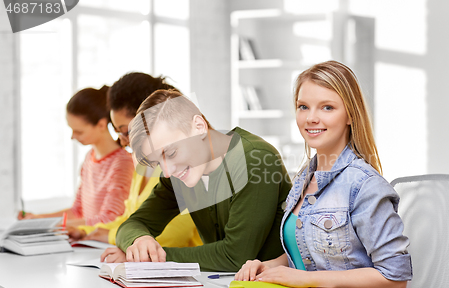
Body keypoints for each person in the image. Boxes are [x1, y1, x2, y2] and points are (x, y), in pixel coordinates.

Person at [235, 60, 412, 288]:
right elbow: (312, 250)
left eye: (327, 107)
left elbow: (395, 279)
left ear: (350, 115)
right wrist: (269, 267)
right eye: (303, 107)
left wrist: (307, 280)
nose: (311, 118)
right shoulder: (303, 179)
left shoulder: (364, 185)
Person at [101, 89, 291, 272]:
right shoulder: (180, 172)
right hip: (223, 287)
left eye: (171, 153)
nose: (167, 172)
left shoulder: (255, 159)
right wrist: (140, 241)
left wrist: (151, 259)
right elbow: (133, 224)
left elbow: (235, 256)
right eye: (158, 161)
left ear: (199, 127)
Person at [69, 72, 202, 249]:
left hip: (193, 270)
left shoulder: (183, 164)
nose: (123, 142)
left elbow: (172, 236)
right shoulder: (142, 163)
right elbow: (130, 219)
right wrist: (87, 231)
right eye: (118, 133)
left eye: (127, 132)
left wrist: (112, 236)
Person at [18, 86, 134, 227]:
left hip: (102, 243)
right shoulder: (89, 158)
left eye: (79, 131)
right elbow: (77, 211)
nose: (73, 137)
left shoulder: (122, 162)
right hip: (84, 240)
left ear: (101, 124)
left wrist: (57, 225)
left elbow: (110, 219)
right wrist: (38, 218)